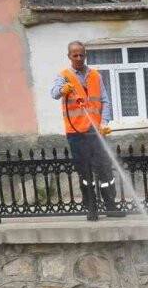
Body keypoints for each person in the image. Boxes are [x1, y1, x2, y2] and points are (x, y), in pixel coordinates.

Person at [50, 41, 125, 219]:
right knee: (85, 172)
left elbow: (104, 101)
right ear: (69, 56)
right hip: (76, 133)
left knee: (105, 170)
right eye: (74, 55)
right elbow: (53, 93)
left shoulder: (95, 76)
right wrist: (62, 89)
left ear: (85, 55)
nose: (78, 58)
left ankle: (111, 206)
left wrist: (104, 122)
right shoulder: (64, 76)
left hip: (96, 131)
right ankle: (91, 208)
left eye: (81, 55)